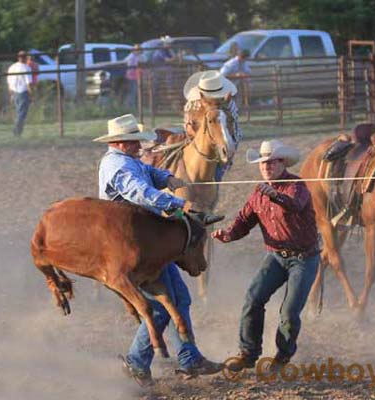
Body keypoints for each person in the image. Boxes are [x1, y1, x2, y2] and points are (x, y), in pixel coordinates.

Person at [93, 114, 223, 386]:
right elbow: (138, 191)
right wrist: (176, 203)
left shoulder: (126, 161)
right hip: (131, 250)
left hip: (147, 243)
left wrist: (167, 178)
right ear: (120, 142)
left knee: (180, 299)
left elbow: (148, 173)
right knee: (160, 308)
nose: (139, 144)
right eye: (133, 141)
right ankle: (137, 362)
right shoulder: (117, 166)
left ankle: (189, 359)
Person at [212, 139, 320, 372]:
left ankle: (282, 357)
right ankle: (248, 353)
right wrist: (229, 234)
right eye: (263, 163)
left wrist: (274, 194)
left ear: (283, 163)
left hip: (304, 258)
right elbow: (243, 221)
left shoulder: (296, 186)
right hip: (276, 257)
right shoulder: (258, 194)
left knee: (289, 312)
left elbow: (295, 205)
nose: (266, 167)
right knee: (253, 298)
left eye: (271, 162)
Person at [182, 70, 242, 181]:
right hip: (196, 138)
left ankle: (219, 170)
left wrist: (227, 143)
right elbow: (188, 127)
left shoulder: (229, 104)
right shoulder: (193, 104)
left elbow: (234, 129)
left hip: (222, 136)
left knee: (234, 140)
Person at [7, 50, 32, 136]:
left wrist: (10, 94)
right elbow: (28, 83)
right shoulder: (26, 68)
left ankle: (18, 131)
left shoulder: (12, 67)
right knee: (22, 114)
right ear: (25, 58)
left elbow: (9, 82)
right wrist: (32, 95)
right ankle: (16, 131)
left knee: (19, 112)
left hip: (14, 92)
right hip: (23, 92)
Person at [125, 44, 141, 109]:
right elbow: (130, 69)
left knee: (134, 92)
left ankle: (132, 106)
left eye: (139, 49)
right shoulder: (131, 57)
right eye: (137, 50)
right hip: (131, 78)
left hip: (136, 77)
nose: (139, 51)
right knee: (132, 92)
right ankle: (130, 107)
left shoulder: (138, 56)